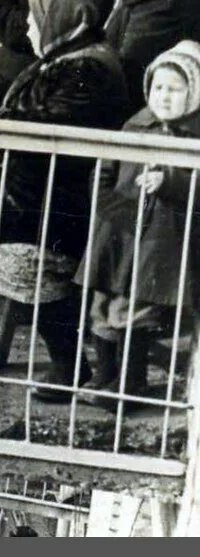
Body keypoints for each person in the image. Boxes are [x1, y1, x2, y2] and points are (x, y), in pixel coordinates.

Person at [0, 0, 130, 396]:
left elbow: (49, 124)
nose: (27, 27)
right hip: (36, 196)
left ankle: (68, 367)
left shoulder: (89, 71)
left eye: (33, 19)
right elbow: (33, 113)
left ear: (58, 22)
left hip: (59, 204)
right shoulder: (71, 60)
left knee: (33, 267)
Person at [81, 41, 200, 403]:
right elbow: (107, 165)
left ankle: (130, 382)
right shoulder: (136, 123)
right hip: (119, 227)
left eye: (176, 90)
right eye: (158, 87)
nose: (164, 96)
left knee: (135, 310)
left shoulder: (194, 137)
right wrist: (105, 200)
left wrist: (170, 181)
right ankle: (104, 375)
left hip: (160, 239)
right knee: (103, 304)